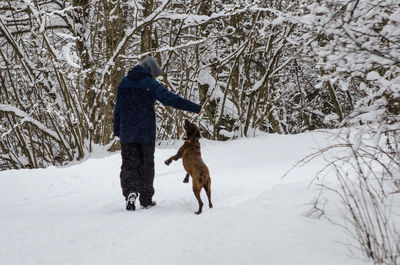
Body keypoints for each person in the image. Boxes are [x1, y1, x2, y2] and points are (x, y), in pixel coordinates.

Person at [113, 56, 202, 211]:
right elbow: (171, 99)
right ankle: (146, 199)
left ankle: (130, 193)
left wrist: (117, 130)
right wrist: (195, 107)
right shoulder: (150, 84)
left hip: (127, 133)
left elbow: (118, 108)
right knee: (147, 165)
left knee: (129, 164)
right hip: (145, 133)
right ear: (149, 70)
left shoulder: (124, 83)